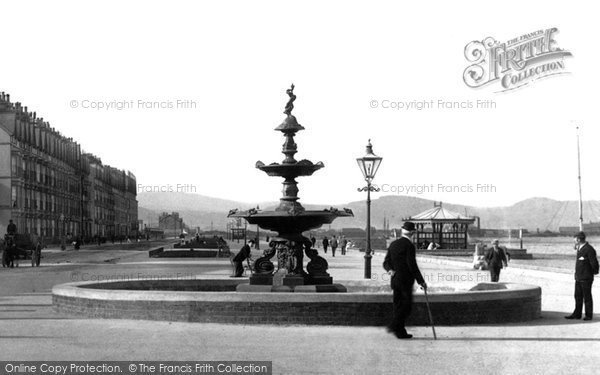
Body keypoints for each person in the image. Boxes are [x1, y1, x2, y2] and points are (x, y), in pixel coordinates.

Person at [383, 221, 426, 339]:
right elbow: (412, 265)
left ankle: (400, 332)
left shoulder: (393, 244)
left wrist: (390, 270)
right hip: (405, 281)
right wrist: (421, 281)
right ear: (412, 233)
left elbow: (386, 262)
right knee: (406, 306)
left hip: (395, 280)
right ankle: (394, 325)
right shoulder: (409, 246)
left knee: (398, 305)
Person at [565, 232, 599, 321]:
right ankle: (577, 314)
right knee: (578, 296)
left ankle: (588, 315)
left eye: (575, 239)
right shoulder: (579, 248)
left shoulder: (589, 249)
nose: (574, 241)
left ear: (578, 239)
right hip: (578, 277)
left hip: (586, 278)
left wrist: (592, 273)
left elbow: (594, 263)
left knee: (587, 297)